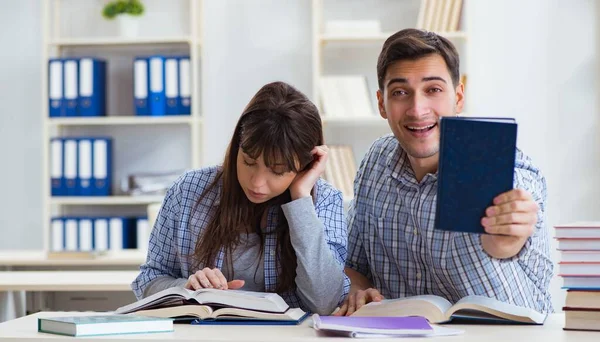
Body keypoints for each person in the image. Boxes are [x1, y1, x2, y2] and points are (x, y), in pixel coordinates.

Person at [336, 29, 553, 316]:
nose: (417, 108)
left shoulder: (504, 170)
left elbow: (507, 243)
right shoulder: (375, 162)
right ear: (381, 104)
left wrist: (505, 241)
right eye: (400, 92)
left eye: (433, 90)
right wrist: (357, 292)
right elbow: (356, 266)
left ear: (459, 96)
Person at [132, 81, 349, 315]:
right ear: (237, 146)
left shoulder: (324, 200)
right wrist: (185, 289)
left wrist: (300, 201)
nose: (257, 182)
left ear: (305, 165)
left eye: (277, 171)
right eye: (248, 162)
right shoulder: (188, 191)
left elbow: (326, 302)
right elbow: (148, 281)